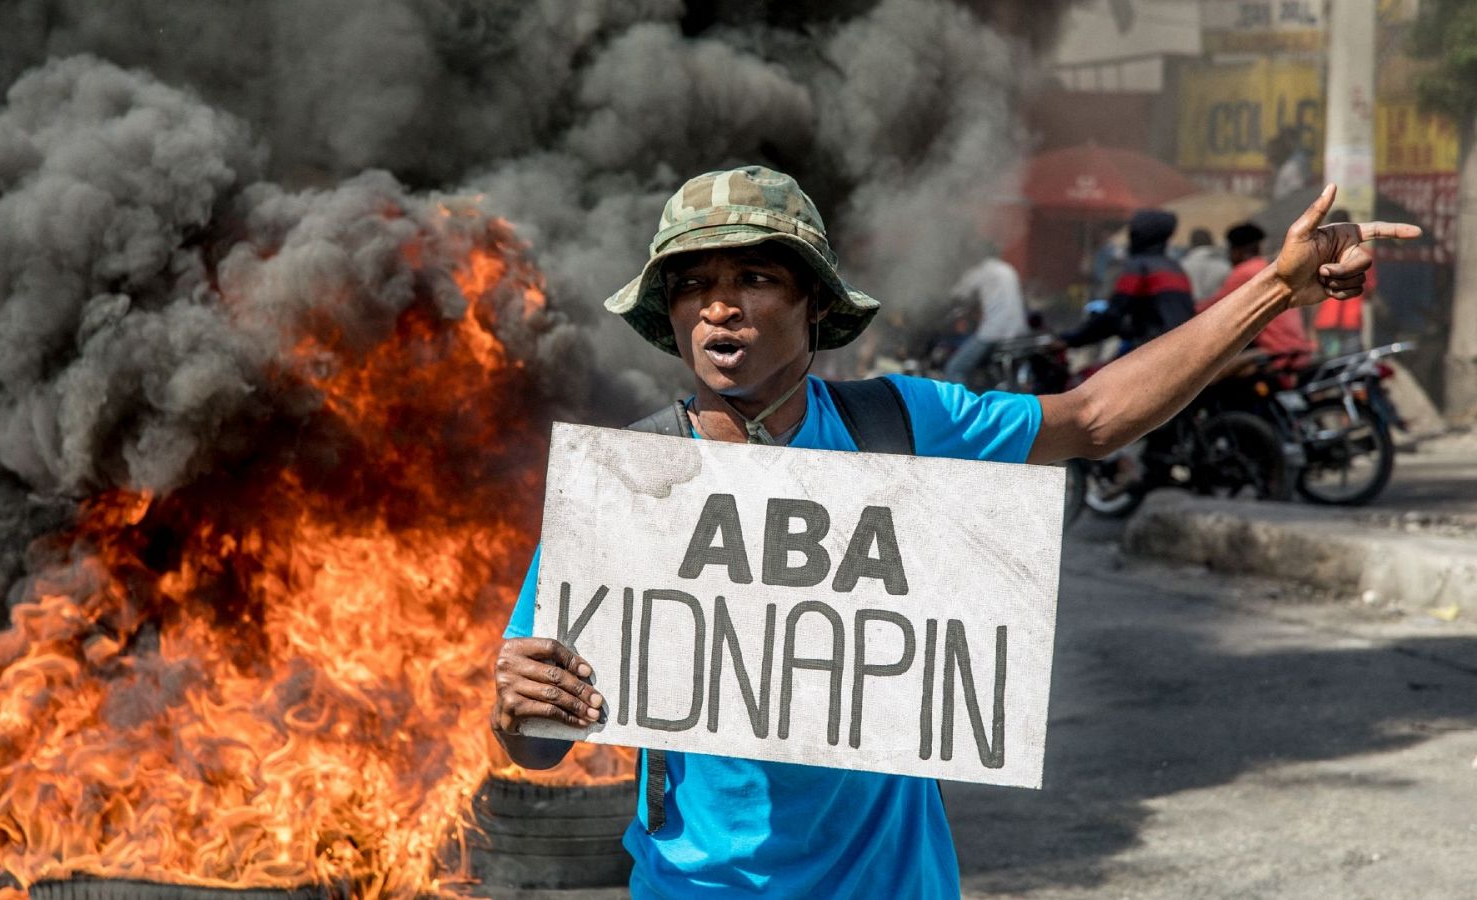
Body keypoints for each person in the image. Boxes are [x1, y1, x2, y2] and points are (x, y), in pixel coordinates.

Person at [489, 165, 1415, 899]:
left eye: (754, 277)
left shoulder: (901, 424)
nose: (719, 305)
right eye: (692, 285)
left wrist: (1276, 291)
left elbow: (1091, 419)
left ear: (814, 303)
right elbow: (537, 744)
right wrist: (519, 703)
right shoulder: (626, 487)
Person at [1057, 208, 1194, 356]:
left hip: (1153, 353)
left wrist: (1070, 340)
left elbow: (1115, 312)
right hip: (1180, 350)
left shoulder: (1138, 267)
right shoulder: (1175, 268)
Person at [1199, 222, 1314, 373]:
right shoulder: (1270, 267)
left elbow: (1214, 308)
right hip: (1299, 349)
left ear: (1237, 251)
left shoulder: (1243, 273)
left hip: (1276, 353)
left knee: (1212, 376)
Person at [940, 246, 1029, 383]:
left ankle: (960, 404)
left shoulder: (979, 272)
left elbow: (957, 295)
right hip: (1019, 329)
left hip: (994, 331)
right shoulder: (1007, 268)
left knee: (955, 368)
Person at [1312, 208, 1373, 356]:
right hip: (1350, 320)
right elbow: (1370, 289)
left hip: (1327, 319)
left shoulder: (1319, 254)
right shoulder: (1364, 254)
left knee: (1329, 368)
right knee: (1349, 369)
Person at [1181, 227, 1232, 302]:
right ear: (1211, 242)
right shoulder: (1224, 266)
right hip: (1218, 308)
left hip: (1189, 309)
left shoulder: (1182, 266)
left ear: (1191, 243)